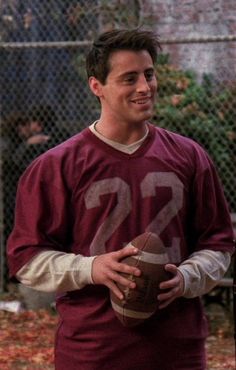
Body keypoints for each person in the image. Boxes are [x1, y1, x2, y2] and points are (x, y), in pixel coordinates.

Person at [7, 29, 235, 370]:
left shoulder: (189, 156)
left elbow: (218, 244)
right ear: (96, 86)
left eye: (149, 74)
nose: (145, 87)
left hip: (177, 349)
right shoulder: (56, 166)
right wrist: (92, 268)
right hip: (93, 350)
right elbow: (25, 259)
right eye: (129, 78)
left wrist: (186, 277)